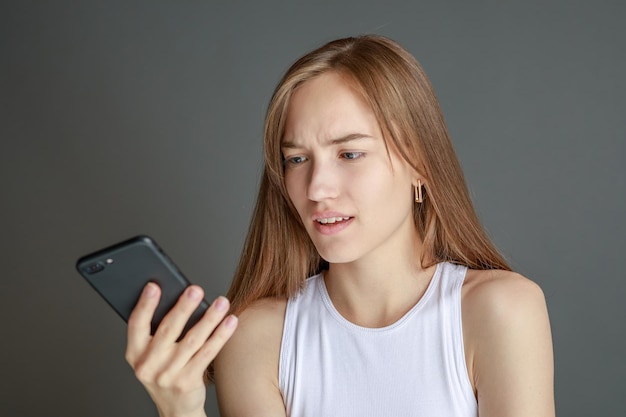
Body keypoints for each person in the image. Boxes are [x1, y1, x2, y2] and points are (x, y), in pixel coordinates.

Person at [126, 35, 555, 417]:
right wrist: (178, 410)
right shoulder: (257, 338)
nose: (317, 188)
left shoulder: (500, 312)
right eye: (297, 159)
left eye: (349, 154)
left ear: (420, 165)